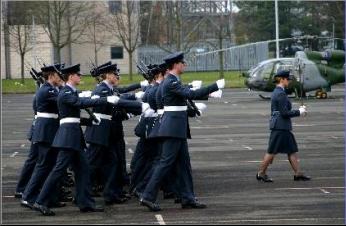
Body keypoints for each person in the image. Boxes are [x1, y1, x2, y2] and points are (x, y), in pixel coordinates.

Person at [140, 51, 225, 211]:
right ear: (175, 65)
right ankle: (147, 195)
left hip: (177, 129)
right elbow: (190, 94)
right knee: (165, 163)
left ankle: (188, 198)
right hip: (172, 129)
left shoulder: (173, 81)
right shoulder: (171, 82)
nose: (184, 65)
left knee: (184, 165)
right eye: (182, 63)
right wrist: (215, 85)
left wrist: (209, 94)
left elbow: (186, 95)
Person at [32, 64, 121, 216]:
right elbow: (80, 104)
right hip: (68, 137)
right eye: (78, 75)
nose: (80, 77)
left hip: (74, 136)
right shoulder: (66, 93)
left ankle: (85, 203)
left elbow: (73, 116)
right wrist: (105, 100)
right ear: (71, 77)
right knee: (58, 170)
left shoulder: (69, 92)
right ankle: (40, 202)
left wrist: (89, 121)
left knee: (83, 170)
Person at [84, 63, 149, 205]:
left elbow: (121, 96)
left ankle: (111, 194)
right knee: (90, 164)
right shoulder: (102, 89)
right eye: (114, 74)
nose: (117, 76)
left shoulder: (108, 89)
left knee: (112, 163)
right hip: (98, 132)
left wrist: (135, 97)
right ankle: (81, 194)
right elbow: (119, 103)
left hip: (105, 132)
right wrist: (140, 106)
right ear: (107, 75)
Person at [20, 64, 65, 209]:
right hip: (45, 132)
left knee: (50, 165)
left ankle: (50, 198)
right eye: (59, 76)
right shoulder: (47, 90)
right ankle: (27, 196)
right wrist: (67, 87)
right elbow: (63, 99)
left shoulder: (50, 89)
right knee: (43, 165)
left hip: (50, 131)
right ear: (51, 76)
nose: (61, 78)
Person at [256, 70, 311, 182]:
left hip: (281, 126)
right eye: (287, 79)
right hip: (281, 127)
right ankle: (261, 173)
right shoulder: (280, 93)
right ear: (282, 79)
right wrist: (299, 112)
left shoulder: (278, 92)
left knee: (291, 150)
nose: (289, 81)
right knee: (272, 151)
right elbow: (284, 113)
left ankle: (298, 173)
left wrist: (298, 110)